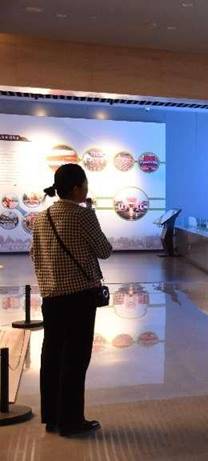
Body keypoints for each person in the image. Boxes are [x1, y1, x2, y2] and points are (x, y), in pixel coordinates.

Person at [30, 163, 112, 437]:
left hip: (51, 297)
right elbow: (104, 250)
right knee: (76, 358)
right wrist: (92, 215)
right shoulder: (83, 215)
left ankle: (52, 418)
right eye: (85, 184)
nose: (87, 189)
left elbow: (34, 254)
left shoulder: (41, 217)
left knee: (52, 355)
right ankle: (71, 421)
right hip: (79, 298)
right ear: (77, 188)